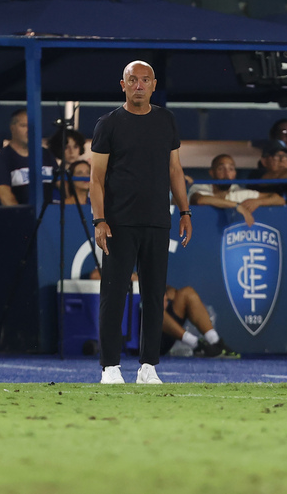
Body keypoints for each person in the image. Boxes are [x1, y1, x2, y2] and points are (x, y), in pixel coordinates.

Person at [90, 60, 192, 385]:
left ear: (153, 84)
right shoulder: (108, 124)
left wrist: (185, 211)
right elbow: (96, 178)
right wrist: (99, 220)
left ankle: (148, 367)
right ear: (123, 85)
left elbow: (175, 170)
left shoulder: (166, 120)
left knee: (154, 295)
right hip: (119, 223)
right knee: (114, 293)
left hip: (158, 220)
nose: (138, 85)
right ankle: (110, 368)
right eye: (132, 80)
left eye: (144, 80)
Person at [188, 154, 285, 226]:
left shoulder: (239, 192)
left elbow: (279, 199)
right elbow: (200, 200)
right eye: (221, 169)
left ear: (235, 174)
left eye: (231, 169)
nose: (226, 174)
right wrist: (237, 206)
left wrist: (258, 202)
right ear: (212, 173)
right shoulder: (199, 187)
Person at [0, 108, 57, 206]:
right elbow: (5, 196)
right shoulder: (2, 159)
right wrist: (23, 218)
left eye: (32, 126)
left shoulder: (46, 154)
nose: (29, 131)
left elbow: (63, 186)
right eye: (24, 126)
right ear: (12, 128)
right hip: (17, 217)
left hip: (48, 216)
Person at [161, 285, 238, 358]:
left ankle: (215, 343)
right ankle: (197, 344)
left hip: (163, 337)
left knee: (187, 293)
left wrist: (166, 290)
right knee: (154, 304)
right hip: (151, 343)